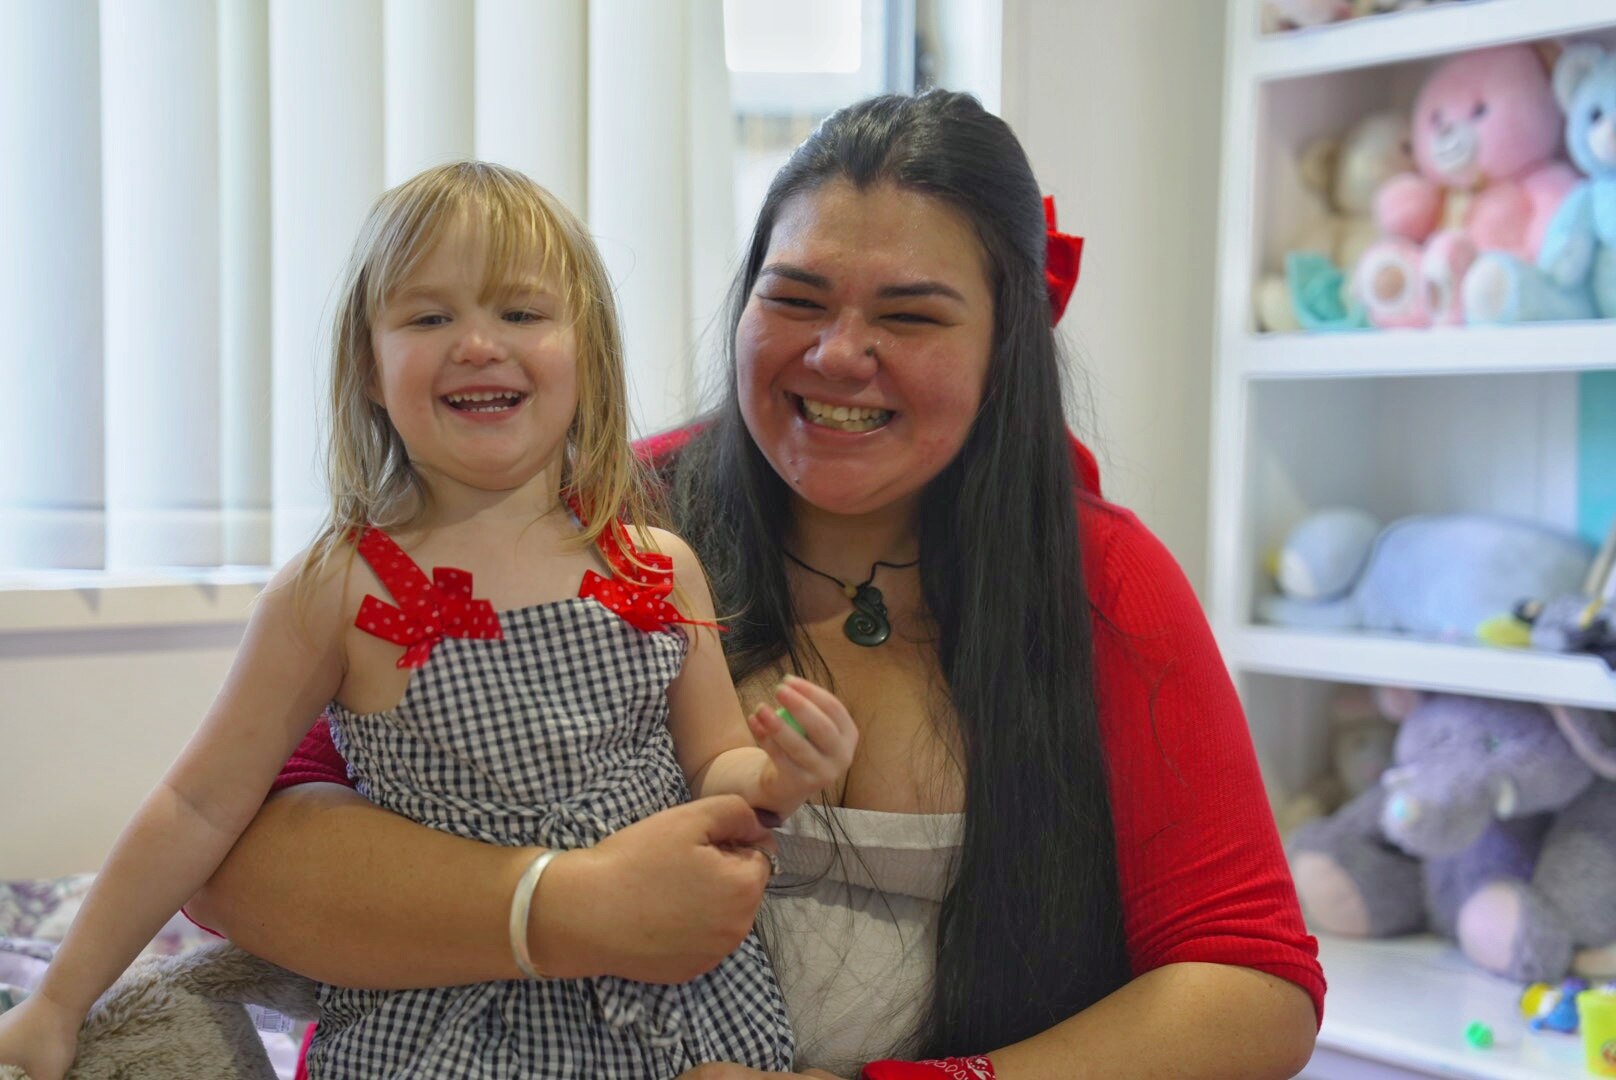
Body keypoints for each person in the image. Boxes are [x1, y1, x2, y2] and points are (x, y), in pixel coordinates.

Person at [192, 92, 1326, 1079]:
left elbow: (1250, 982)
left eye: (910, 315)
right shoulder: (592, 528)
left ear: (1008, 347)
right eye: (794, 298)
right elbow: (233, 855)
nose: (836, 354)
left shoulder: (1102, 580)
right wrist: (565, 906)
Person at [0, 161, 863, 1080]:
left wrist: (778, 773)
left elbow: (715, 765)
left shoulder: (656, 564)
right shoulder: (334, 589)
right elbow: (198, 804)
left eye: (521, 314)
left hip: (669, 997)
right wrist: (58, 1002)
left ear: (589, 356)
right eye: (429, 317)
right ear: (370, 368)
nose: (478, 345)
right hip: (448, 1009)